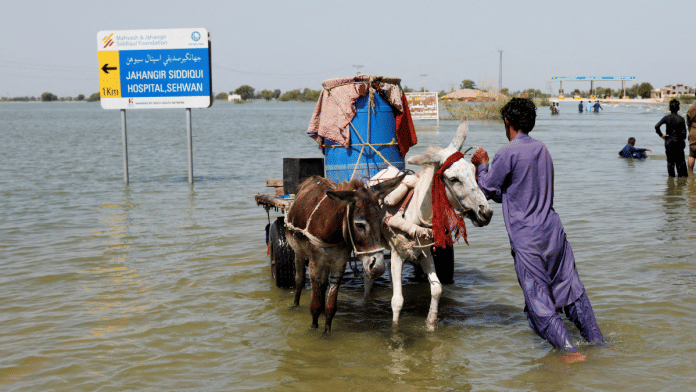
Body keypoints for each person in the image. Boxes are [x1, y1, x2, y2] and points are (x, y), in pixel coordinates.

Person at [471, 98, 604, 363]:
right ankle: (598, 343)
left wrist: (482, 164)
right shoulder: (542, 149)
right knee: (572, 291)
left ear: (508, 123)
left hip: (527, 237)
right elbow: (512, 190)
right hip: (554, 233)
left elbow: (486, 189)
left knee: (537, 299)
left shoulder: (507, 152)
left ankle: (570, 352)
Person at [655, 99, 688, 177]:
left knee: (670, 162)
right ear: (678, 108)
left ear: (669, 108)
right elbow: (684, 134)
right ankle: (681, 178)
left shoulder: (666, 118)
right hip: (678, 142)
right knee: (680, 162)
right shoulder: (681, 119)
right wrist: (682, 140)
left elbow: (657, 126)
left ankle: (671, 178)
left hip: (669, 142)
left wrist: (661, 135)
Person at [686, 93, 696, 173]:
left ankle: (690, 174)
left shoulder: (691, 109)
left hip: (693, 132)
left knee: (692, 155)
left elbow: (688, 124)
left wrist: (691, 132)